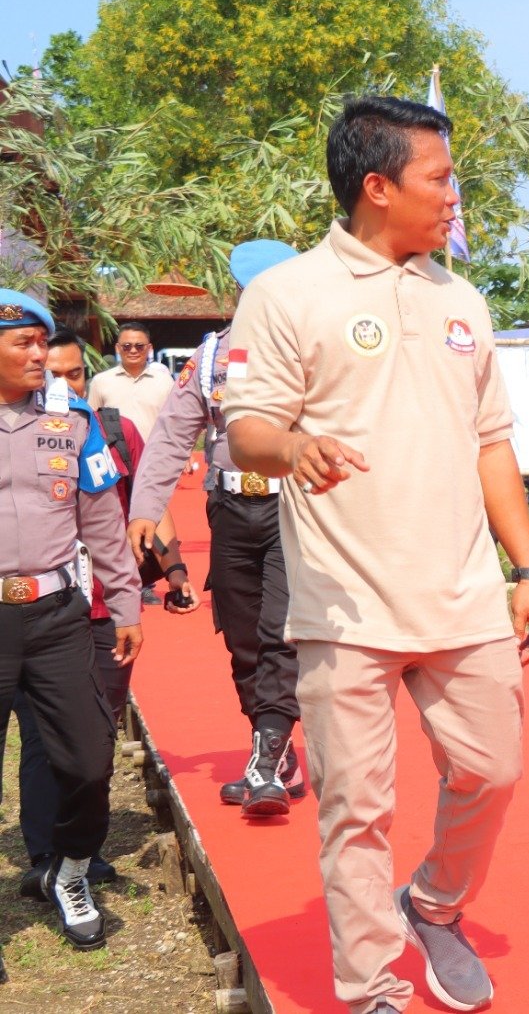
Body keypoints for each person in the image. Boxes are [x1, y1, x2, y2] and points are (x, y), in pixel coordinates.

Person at [223, 96, 529, 1014]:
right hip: (343, 604)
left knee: (494, 770)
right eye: (440, 179)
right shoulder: (288, 293)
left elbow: (492, 442)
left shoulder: (463, 299)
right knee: (356, 813)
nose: (455, 197)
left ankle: (436, 904)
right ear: (377, 187)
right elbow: (247, 429)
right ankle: (372, 989)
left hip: (462, 596)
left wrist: (528, 570)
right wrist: (293, 448)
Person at [129, 239, 305, 817]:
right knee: (240, 633)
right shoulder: (210, 359)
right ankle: (274, 749)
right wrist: (145, 509)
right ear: (239, 294)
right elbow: (170, 438)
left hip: (294, 511)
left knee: (281, 630)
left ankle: (263, 764)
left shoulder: (314, 349)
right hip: (230, 511)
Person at [11, 331, 188, 901]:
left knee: (90, 749)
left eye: (65, 367)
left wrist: (147, 588)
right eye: (28, 347)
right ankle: (45, 857)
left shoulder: (94, 427)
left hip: (76, 613)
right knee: (39, 744)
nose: (48, 368)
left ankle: (74, 863)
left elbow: (124, 517)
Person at [0, 290, 142, 952]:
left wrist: (126, 602)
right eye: (23, 343)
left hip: (57, 615)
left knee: (88, 761)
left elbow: (105, 522)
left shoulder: (74, 418)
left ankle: (72, 870)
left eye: (41, 341)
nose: (41, 355)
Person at [87, 320, 174, 441]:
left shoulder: (165, 382)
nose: (133, 351)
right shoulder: (100, 382)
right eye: (127, 346)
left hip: (155, 455)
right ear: (118, 348)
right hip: (115, 457)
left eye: (139, 346)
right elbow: (92, 423)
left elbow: (175, 423)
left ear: (149, 348)